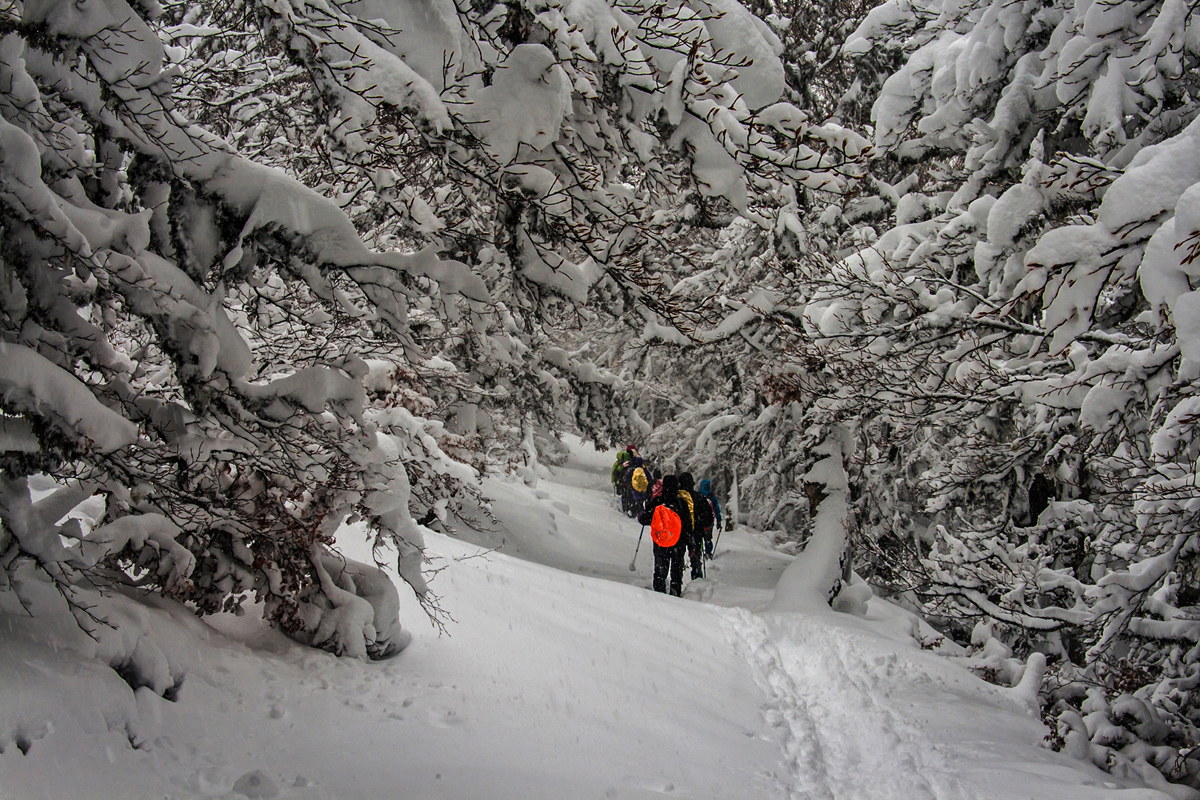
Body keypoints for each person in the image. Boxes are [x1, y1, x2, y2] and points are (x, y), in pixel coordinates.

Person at [638, 474, 690, 596]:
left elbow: (644, 520)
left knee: (660, 569)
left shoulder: (657, 502)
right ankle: (675, 591)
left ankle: (659, 594)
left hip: (660, 542)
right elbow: (688, 525)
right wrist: (690, 543)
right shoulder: (681, 503)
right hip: (678, 542)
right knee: (676, 570)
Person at [678, 472, 706, 579]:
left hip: (679, 532)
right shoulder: (698, 497)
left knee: (678, 557)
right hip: (696, 531)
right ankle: (697, 575)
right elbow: (707, 516)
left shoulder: (676, 496)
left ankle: (677, 579)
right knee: (696, 554)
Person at [697, 479, 722, 557]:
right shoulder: (712, 497)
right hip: (709, 522)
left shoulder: (698, 496)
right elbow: (717, 509)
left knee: (699, 538)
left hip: (699, 521)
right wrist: (719, 520)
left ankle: (699, 552)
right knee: (708, 538)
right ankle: (708, 552)